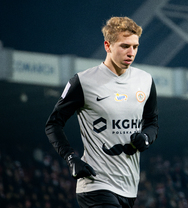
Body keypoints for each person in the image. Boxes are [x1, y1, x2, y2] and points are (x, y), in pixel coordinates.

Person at [45, 16, 159, 208]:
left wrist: (146, 138)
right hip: (95, 184)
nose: (131, 52)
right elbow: (53, 124)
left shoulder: (145, 81)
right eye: (125, 46)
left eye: (135, 47)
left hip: (129, 187)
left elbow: (152, 122)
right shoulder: (83, 81)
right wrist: (71, 158)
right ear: (108, 45)